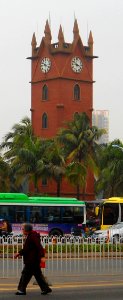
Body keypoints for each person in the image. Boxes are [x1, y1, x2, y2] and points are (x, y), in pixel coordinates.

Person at [14, 223, 52, 295]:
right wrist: (19, 253)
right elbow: (27, 249)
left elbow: (39, 246)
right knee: (38, 275)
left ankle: (21, 290)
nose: (22, 230)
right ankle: (45, 289)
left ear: (26, 230)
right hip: (33, 260)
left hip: (32, 260)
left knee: (25, 275)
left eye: (22, 229)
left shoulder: (32, 236)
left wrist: (42, 256)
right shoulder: (30, 236)